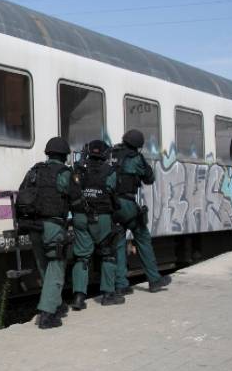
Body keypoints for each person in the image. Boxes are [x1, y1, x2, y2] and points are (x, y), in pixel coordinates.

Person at [17, 137, 72, 329]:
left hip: (33, 225)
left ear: (48, 153)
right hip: (53, 226)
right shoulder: (64, 173)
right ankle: (47, 315)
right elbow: (77, 199)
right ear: (64, 155)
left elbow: (22, 193)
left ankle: (56, 304)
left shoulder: (34, 171)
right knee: (56, 266)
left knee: (44, 266)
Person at [112, 129, 172, 294]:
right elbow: (149, 178)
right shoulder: (136, 158)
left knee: (119, 243)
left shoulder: (111, 154)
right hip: (127, 204)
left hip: (111, 206)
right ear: (137, 145)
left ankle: (121, 285)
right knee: (143, 238)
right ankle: (154, 280)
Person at [70, 140, 125, 307]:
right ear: (105, 154)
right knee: (108, 254)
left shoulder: (78, 169)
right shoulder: (110, 171)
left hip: (80, 217)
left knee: (82, 257)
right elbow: (113, 192)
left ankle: (78, 298)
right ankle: (108, 295)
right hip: (102, 218)